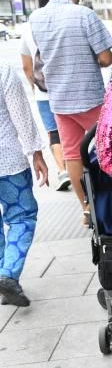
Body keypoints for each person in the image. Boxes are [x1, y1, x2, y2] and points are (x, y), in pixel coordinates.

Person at [29, 0, 112, 222]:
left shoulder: (36, 18)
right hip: (90, 98)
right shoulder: (84, 15)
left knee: (73, 156)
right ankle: (111, 206)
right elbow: (107, 58)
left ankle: (86, 208)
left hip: (59, 101)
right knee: (107, 150)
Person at [0, 60, 48, 307]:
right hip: (7, 161)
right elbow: (21, 115)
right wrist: (36, 153)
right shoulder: (3, 69)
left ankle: (3, 276)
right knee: (22, 217)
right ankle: (8, 273)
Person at [19, 0, 71, 192]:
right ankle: (81, 167)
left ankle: (62, 170)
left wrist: (35, 87)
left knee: (53, 131)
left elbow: (26, 66)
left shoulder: (28, 28)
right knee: (73, 129)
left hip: (44, 94)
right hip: (67, 89)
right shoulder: (63, 23)